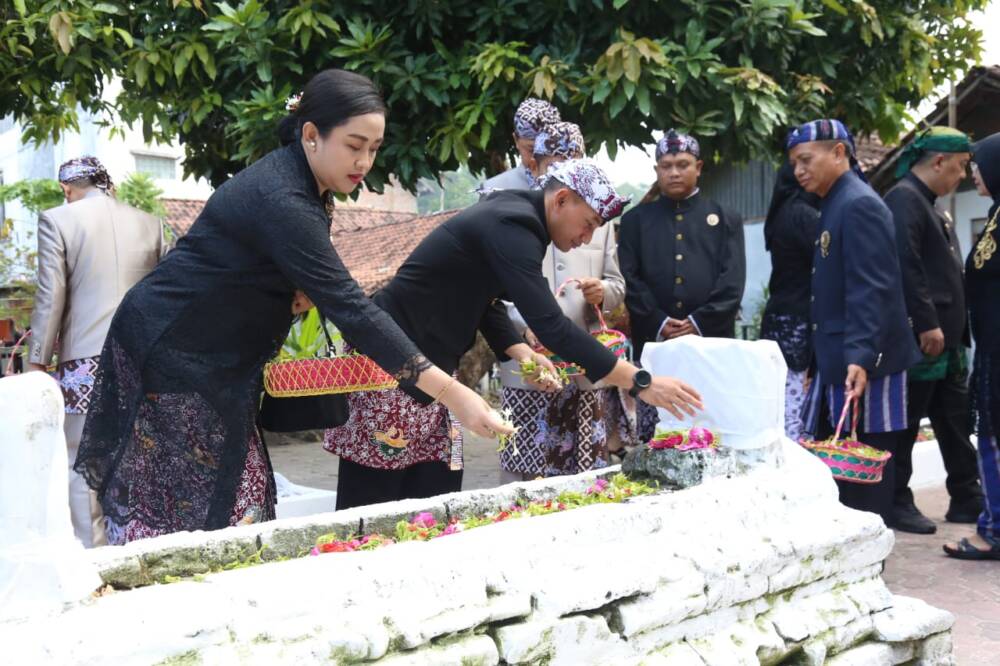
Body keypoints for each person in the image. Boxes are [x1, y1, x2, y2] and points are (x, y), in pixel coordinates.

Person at [72, 69, 511, 545]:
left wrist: (290, 294)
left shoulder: (307, 187)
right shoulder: (283, 196)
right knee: (190, 510)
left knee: (240, 498)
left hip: (217, 357)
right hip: (174, 351)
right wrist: (455, 395)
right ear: (311, 135)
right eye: (354, 145)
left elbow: (269, 272)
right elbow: (353, 310)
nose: (365, 161)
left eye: (374, 148)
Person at [326, 159, 703, 509]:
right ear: (561, 199)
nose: (587, 237)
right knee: (372, 503)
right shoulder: (513, 224)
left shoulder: (519, 219)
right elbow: (552, 327)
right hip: (389, 364)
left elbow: (485, 300)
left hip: (436, 370)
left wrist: (522, 352)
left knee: (436, 495)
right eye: (588, 223)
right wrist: (638, 381)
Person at [28, 156, 166, 547]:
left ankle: (94, 555)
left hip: (85, 362)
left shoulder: (57, 220)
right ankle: (140, 547)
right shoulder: (151, 223)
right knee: (139, 457)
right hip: (141, 361)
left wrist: (37, 361)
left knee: (81, 461)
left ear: (67, 188)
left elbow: (51, 294)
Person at [789, 119, 921, 524]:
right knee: (842, 467)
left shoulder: (858, 203)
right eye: (794, 164)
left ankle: (870, 550)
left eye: (806, 160)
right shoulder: (835, 202)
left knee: (865, 468)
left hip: (865, 363)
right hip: (841, 358)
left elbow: (872, 288)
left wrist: (861, 356)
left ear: (839, 152)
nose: (799, 171)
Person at [494, 123, 628, 480]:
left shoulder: (599, 220)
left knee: (584, 478)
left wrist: (603, 291)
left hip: (584, 369)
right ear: (535, 164)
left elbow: (618, 285)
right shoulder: (514, 215)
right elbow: (495, 291)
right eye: (555, 164)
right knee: (523, 479)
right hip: (529, 369)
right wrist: (524, 327)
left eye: (575, 163)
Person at [883, 127, 983, 535]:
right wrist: (925, 322)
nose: (963, 175)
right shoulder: (903, 199)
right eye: (960, 166)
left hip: (948, 340)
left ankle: (967, 495)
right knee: (907, 424)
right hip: (924, 339)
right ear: (939, 162)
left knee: (954, 421)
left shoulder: (931, 204)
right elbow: (905, 265)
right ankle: (896, 500)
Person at [618, 129, 746, 441]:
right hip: (655, 345)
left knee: (713, 433)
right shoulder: (635, 221)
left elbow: (732, 281)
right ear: (656, 170)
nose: (674, 172)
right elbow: (629, 279)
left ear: (698, 167)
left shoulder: (725, 217)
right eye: (666, 166)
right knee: (656, 436)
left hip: (712, 344)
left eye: (683, 164)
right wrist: (660, 322)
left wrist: (697, 322)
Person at [944, 131, 1000, 560]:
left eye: (978, 166)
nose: (973, 174)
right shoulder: (996, 214)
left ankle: (994, 532)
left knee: (994, 439)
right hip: (991, 346)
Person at [760, 162, 821, 443]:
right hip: (798, 321)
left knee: (780, 400)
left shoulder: (781, 213)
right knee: (796, 402)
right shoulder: (803, 214)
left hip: (779, 317)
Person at [476, 98, 561, 194]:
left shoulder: (571, 185)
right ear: (516, 140)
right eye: (531, 150)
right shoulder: (493, 189)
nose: (539, 158)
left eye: (548, 150)